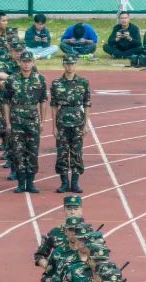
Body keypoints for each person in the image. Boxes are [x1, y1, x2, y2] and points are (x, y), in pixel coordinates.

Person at [2, 50, 46, 194]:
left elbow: (43, 101)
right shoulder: (11, 79)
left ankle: (31, 183)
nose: (26, 64)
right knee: (18, 152)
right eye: (24, 61)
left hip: (33, 120)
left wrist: (43, 121)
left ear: (33, 63)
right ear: (19, 63)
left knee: (32, 151)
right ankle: (21, 183)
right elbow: (6, 102)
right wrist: (8, 122)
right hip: (16, 121)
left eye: (29, 61)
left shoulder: (40, 79)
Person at [49, 55, 90, 194]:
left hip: (78, 122)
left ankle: (75, 183)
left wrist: (86, 124)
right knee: (62, 153)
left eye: (72, 64)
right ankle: (64, 182)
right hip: (62, 122)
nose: (70, 66)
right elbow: (54, 105)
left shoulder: (83, 82)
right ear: (63, 65)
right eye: (67, 64)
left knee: (76, 153)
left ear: (75, 64)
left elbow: (87, 104)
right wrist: (54, 126)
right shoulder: (56, 83)